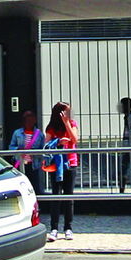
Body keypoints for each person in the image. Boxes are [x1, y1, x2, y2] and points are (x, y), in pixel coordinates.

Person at [43, 102, 79, 241]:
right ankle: (54, 228)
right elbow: (46, 145)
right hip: (56, 165)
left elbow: (75, 139)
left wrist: (67, 124)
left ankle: (68, 228)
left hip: (70, 162)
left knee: (68, 196)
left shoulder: (72, 123)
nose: (68, 114)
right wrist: (58, 142)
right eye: (66, 112)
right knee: (56, 196)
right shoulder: (51, 127)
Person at [9, 111, 44, 195]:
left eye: (31, 121)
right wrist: (18, 149)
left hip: (34, 164)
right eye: (27, 121)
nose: (29, 123)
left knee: (35, 187)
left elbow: (43, 149)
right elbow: (11, 147)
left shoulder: (39, 134)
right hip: (20, 163)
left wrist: (35, 153)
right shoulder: (17, 133)